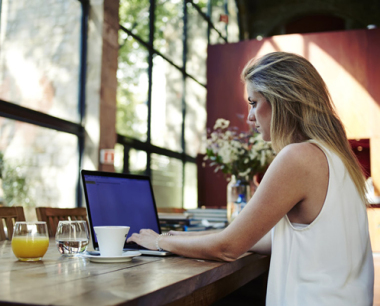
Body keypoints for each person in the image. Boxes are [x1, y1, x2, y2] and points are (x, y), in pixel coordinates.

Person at [128, 52, 374, 305]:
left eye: (254, 102)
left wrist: (158, 241)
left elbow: (228, 248)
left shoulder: (298, 157)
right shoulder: (339, 157)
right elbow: (265, 239)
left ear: (281, 99)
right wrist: (174, 238)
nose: (249, 117)